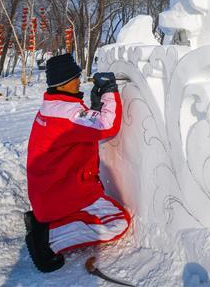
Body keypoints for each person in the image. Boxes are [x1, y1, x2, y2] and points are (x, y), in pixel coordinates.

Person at [24, 54, 130, 273]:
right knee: (118, 222)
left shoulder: (53, 106)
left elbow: (81, 129)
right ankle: (50, 238)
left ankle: (45, 224)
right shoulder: (67, 113)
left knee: (107, 212)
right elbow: (107, 125)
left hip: (52, 191)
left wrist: (93, 106)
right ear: (65, 81)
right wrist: (110, 91)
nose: (79, 79)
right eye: (76, 76)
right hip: (64, 192)